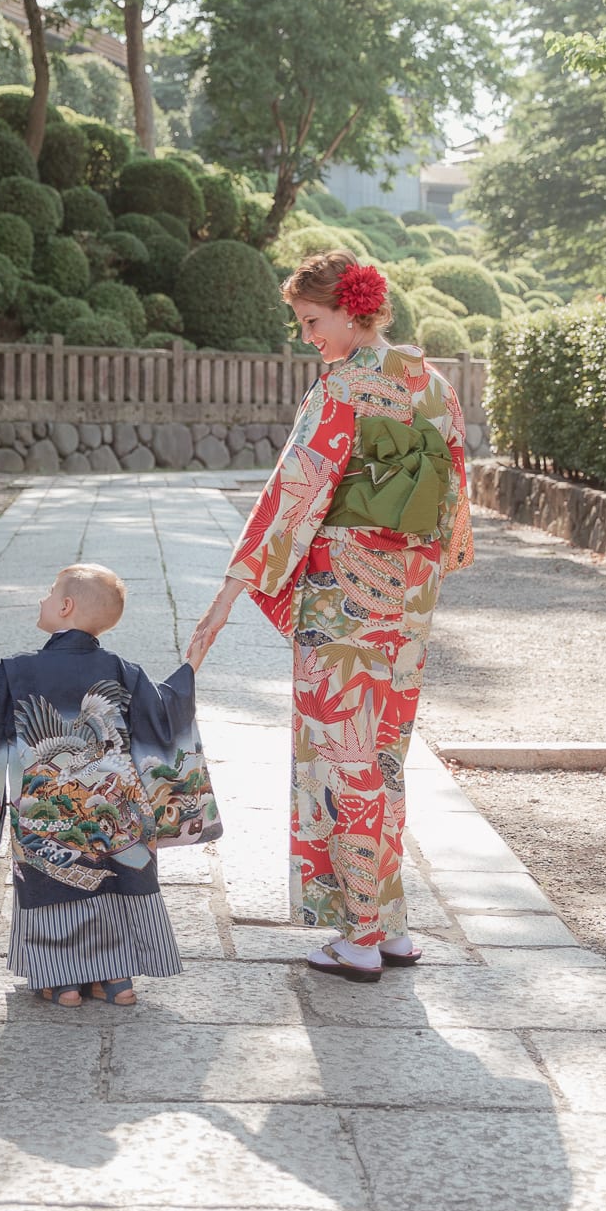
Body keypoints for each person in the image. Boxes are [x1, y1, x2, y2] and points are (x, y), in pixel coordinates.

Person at [186, 250, 473, 984]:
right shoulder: (434, 384)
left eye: (313, 322)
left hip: (345, 599)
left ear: (352, 310)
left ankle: (362, 935)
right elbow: (452, 503)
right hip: (409, 597)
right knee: (382, 755)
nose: (307, 336)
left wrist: (230, 592)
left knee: (340, 755)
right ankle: (395, 923)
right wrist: (416, 571)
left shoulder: (344, 387)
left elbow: (296, 494)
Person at [0, 563, 220, 1005]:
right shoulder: (123, 670)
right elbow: (165, 712)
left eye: (48, 593)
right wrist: (192, 660)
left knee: (51, 876)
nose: (42, 600)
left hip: (48, 813)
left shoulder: (19, 671)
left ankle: (62, 981)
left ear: (65, 607)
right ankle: (117, 979)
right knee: (119, 875)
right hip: (118, 813)